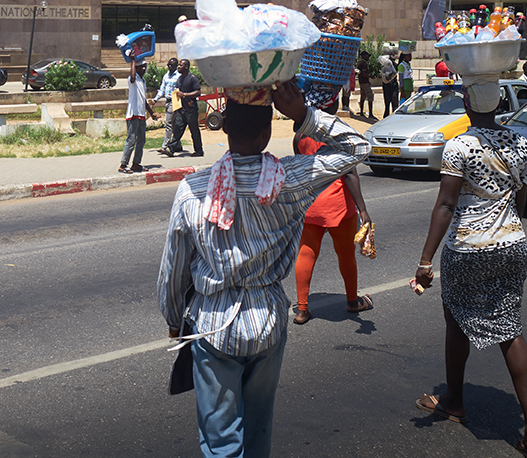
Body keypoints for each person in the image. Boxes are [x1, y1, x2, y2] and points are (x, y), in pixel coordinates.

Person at [157, 81, 369, 457]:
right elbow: (357, 148)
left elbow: (175, 266)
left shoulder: (194, 188)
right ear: (269, 129)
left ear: (223, 125)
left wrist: (175, 317)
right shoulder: (289, 180)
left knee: (221, 440)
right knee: (258, 431)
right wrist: (303, 115)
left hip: (213, 323)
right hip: (269, 320)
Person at [412, 77, 527, 457]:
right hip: (513, 244)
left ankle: (454, 402)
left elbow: (445, 205)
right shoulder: (521, 143)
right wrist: (507, 232)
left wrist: (425, 261)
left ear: (469, 106)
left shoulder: (461, 146)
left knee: (456, 320)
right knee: (510, 328)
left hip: (469, 248)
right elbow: (521, 200)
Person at [292, 103, 373, 324]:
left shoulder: (300, 133)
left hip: (310, 204)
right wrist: (363, 210)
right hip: (338, 206)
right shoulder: (339, 134)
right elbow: (350, 174)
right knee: (346, 254)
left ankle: (301, 310)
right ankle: (352, 301)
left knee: (306, 254)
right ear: (334, 104)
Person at [119, 57, 151, 173]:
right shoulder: (132, 79)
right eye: (140, 67)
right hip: (133, 115)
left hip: (141, 115)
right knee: (131, 140)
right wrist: (132, 60)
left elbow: (143, 99)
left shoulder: (142, 81)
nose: (143, 69)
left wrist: (151, 113)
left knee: (141, 140)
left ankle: (136, 163)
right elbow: (132, 77)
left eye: (145, 66)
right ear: (135, 68)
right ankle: (123, 164)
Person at [169, 58, 204, 158]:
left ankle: (199, 150)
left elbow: (198, 92)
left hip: (191, 109)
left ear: (186, 67)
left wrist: (184, 94)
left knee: (194, 130)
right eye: (179, 65)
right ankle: (171, 148)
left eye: (181, 65)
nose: (179, 67)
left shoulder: (192, 78)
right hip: (181, 109)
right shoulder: (180, 78)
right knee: (178, 129)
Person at [155, 57, 182, 156]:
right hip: (167, 101)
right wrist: (155, 99)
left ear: (175, 66)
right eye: (168, 65)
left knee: (169, 124)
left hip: (174, 102)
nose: (169, 67)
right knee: (174, 125)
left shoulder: (179, 77)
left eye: (172, 65)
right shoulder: (166, 76)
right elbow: (162, 89)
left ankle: (164, 146)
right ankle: (178, 145)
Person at [379, 50, 400, 116]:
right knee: (387, 102)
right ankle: (386, 116)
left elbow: (396, 69)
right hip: (387, 86)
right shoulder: (385, 67)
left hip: (393, 85)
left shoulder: (394, 66)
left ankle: (394, 116)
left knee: (394, 102)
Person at [356, 51, 376, 120]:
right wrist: (370, 76)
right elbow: (363, 74)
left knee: (363, 97)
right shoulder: (363, 63)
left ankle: (361, 112)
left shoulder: (361, 63)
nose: (368, 57)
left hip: (361, 82)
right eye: (367, 56)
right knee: (370, 97)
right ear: (364, 56)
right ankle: (370, 114)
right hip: (365, 82)